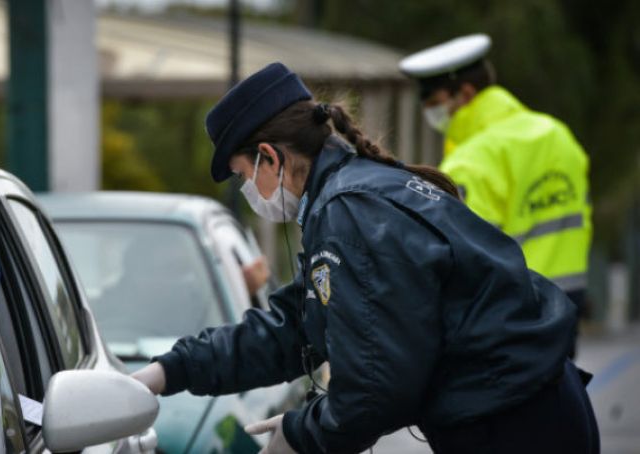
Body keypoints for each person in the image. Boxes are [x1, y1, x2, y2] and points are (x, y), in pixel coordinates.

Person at [131, 62, 599, 453]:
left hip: (515, 424)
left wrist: (299, 435)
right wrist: (169, 370)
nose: (249, 191)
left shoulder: (349, 213)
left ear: (269, 157)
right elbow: (292, 328)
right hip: (527, 408)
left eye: (242, 176)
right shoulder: (354, 194)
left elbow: (377, 386)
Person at [399, 35, 593, 339]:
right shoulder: (557, 134)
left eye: (435, 103)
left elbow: (467, 257)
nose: (431, 114)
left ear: (465, 93)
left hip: (513, 315)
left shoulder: (470, 160)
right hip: (567, 302)